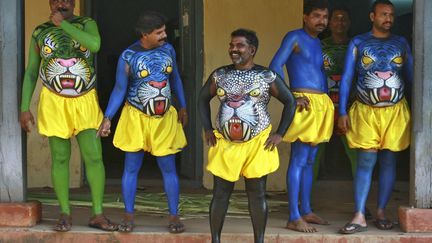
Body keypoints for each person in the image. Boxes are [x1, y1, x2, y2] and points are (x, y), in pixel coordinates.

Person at [20, 0, 117, 232]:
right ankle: (64, 212)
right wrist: (25, 107)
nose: (62, 2)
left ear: (74, 3)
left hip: (85, 99)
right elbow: (32, 71)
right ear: (50, 3)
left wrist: (64, 26)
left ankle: (98, 213)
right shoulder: (40, 32)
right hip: (53, 101)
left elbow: (94, 45)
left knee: (93, 157)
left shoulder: (87, 23)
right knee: (60, 158)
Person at [198, 29, 296, 243]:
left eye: (240, 46)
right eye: (232, 45)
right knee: (221, 194)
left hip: (258, 143)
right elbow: (202, 98)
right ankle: (215, 239)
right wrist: (207, 128)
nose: (234, 49)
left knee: (257, 193)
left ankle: (259, 240)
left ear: (252, 50)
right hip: (226, 144)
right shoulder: (220, 74)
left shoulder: (267, 76)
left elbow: (290, 101)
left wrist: (280, 133)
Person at [98, 11, 188, 233]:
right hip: (135, 117)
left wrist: (183, 106)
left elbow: (175, 78)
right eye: (159, 33)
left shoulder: (168, 50)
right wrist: (107, 117)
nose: (165, 35)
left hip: (164, 119)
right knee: (131, 167)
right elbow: (119, 89)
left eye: (164, 31)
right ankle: (128, 215)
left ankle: (174, 216)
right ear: (144, 34)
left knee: (168, 168)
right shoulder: (127, 57)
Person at [337, 0, 413, 234]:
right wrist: (341, 111)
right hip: (365, 110)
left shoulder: (401, 43)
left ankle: (381, 211)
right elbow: (347, 78)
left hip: (395, 110)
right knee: (366, 162)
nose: (388, 18)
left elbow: (411, 77)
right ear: (372, 16)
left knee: (389, 161)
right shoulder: (358, 42)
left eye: (391, 14)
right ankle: (359, 214)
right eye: (383, 14)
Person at [269, 0, 333, 233]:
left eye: (325, 17)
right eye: (316, 16)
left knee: (309, 160)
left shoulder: (318, 43)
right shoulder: (294, 37)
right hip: (303, 103)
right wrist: (290, 98)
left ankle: (306, 210)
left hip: (320, 104)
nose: (322, 21)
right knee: (299, 158)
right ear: (305, 17)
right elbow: (274, 67)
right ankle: (294, 216)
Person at [314, 7, 357, 179]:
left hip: (350, 104)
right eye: (336, 19)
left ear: (349, 23)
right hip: (324, 104)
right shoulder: (319, 46)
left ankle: (360, 202)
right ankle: (306, 200)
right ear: (329, 23)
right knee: (315, 151)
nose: (340, 22)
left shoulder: (356, 45)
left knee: (355, 151)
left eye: (344, 19)